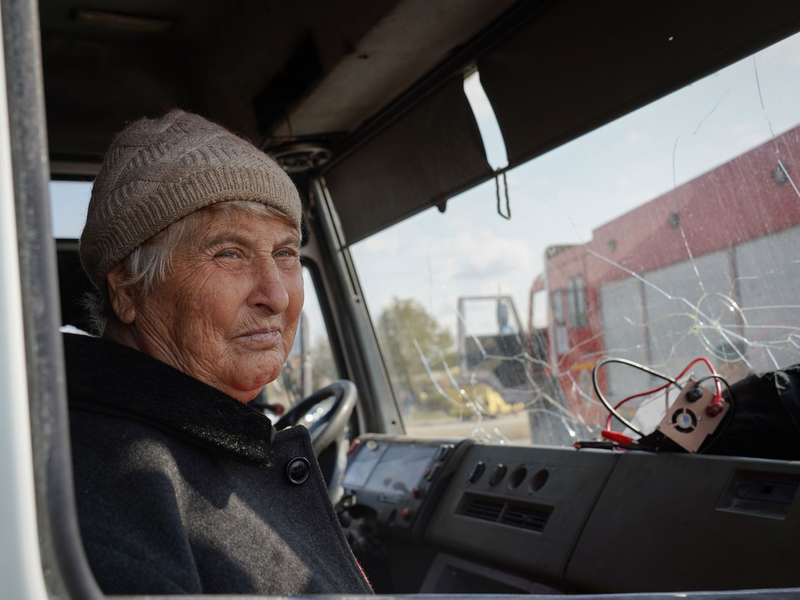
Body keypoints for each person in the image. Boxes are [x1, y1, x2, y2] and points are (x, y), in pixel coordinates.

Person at [65, 109, 372, 595]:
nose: (277, 295)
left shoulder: (187, 437)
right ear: (126, 288)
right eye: (229, 252)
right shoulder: (120, 481)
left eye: (286, 253)